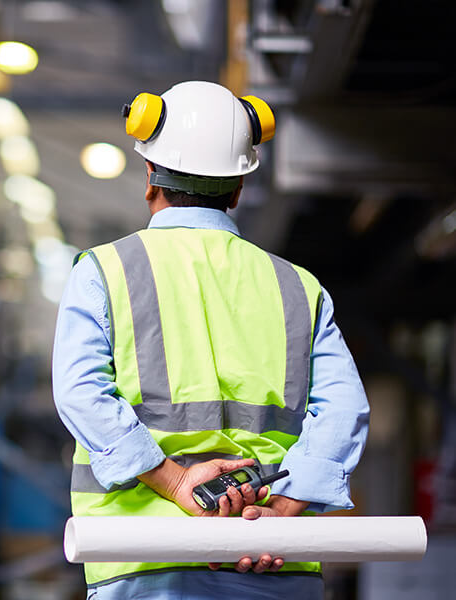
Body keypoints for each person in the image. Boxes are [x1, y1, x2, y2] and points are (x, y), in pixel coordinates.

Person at [52, 81, 369, 600]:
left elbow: (81, 394)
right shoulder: (297, 286)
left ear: (149, 175)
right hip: (274, 563)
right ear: (238, 189)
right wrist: (283, 512)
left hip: (146, 559)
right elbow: (344, 410)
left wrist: (177, 483)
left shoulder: (104, 272)